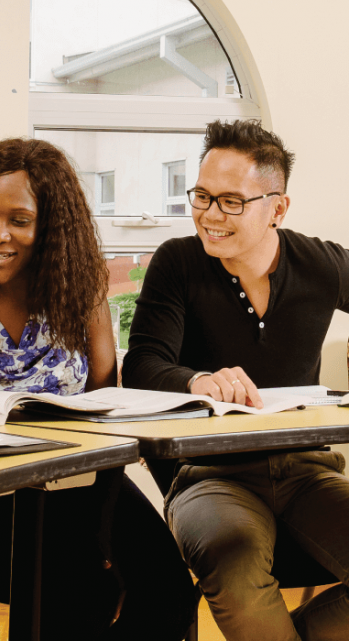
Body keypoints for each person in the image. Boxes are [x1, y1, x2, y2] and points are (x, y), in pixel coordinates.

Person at [0, 137, 196, 641]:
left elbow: (101, 400)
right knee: (69, 578)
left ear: (49, 228)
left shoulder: (80, 292)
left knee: (169, 589)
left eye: (18, 221)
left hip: (79, 486)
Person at [122, 119, 349, 641]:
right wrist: (197, 379)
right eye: (201, 196)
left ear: (278, 208)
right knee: (236, 565)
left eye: (230, 202)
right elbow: (142, 366)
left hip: (307, 470)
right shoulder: (178, 262)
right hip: (209, 477)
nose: (208, 215)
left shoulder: (322, 265)